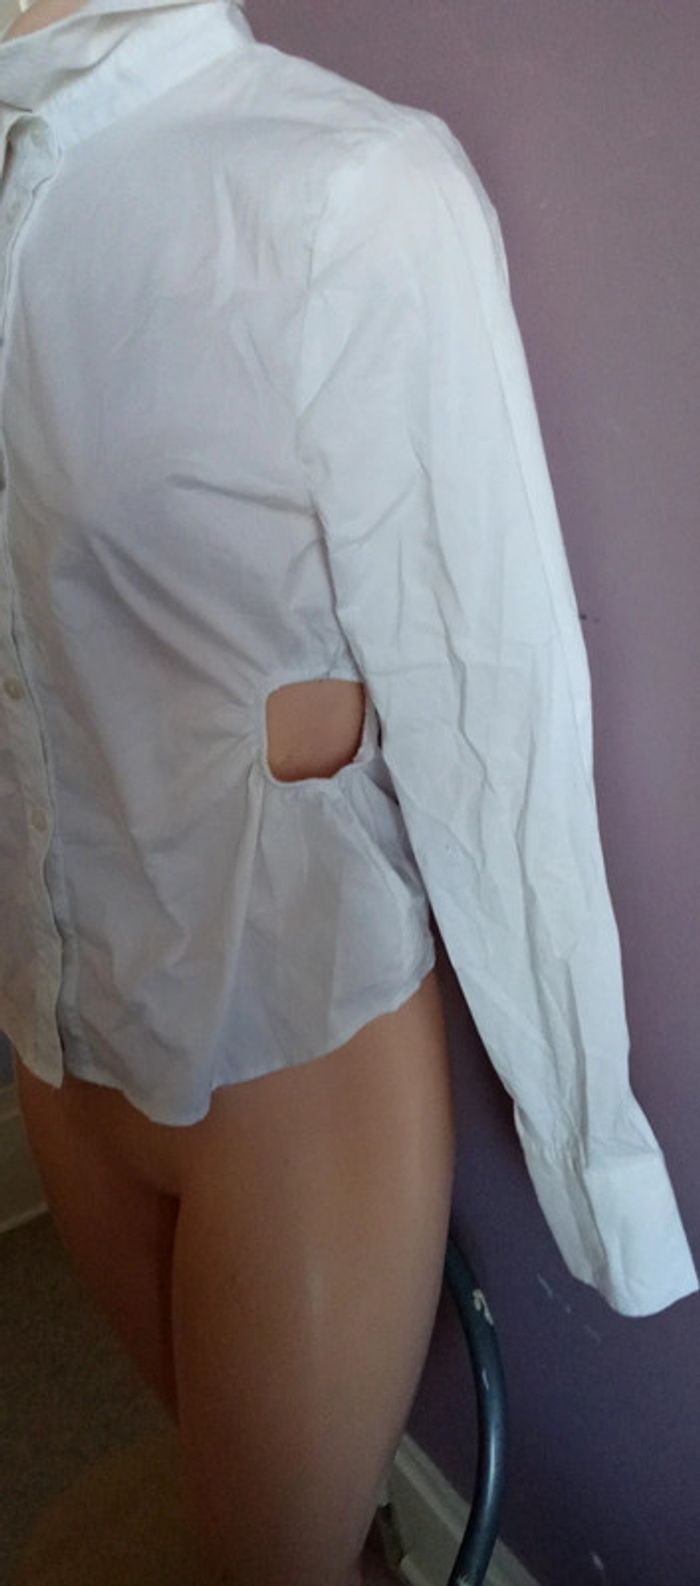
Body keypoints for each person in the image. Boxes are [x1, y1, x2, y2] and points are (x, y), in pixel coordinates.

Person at [1, 2, 696, 1583]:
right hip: (61, 1044)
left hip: (292, 1075)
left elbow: (493, 694)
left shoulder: (345, 194)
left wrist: (590, 1150)